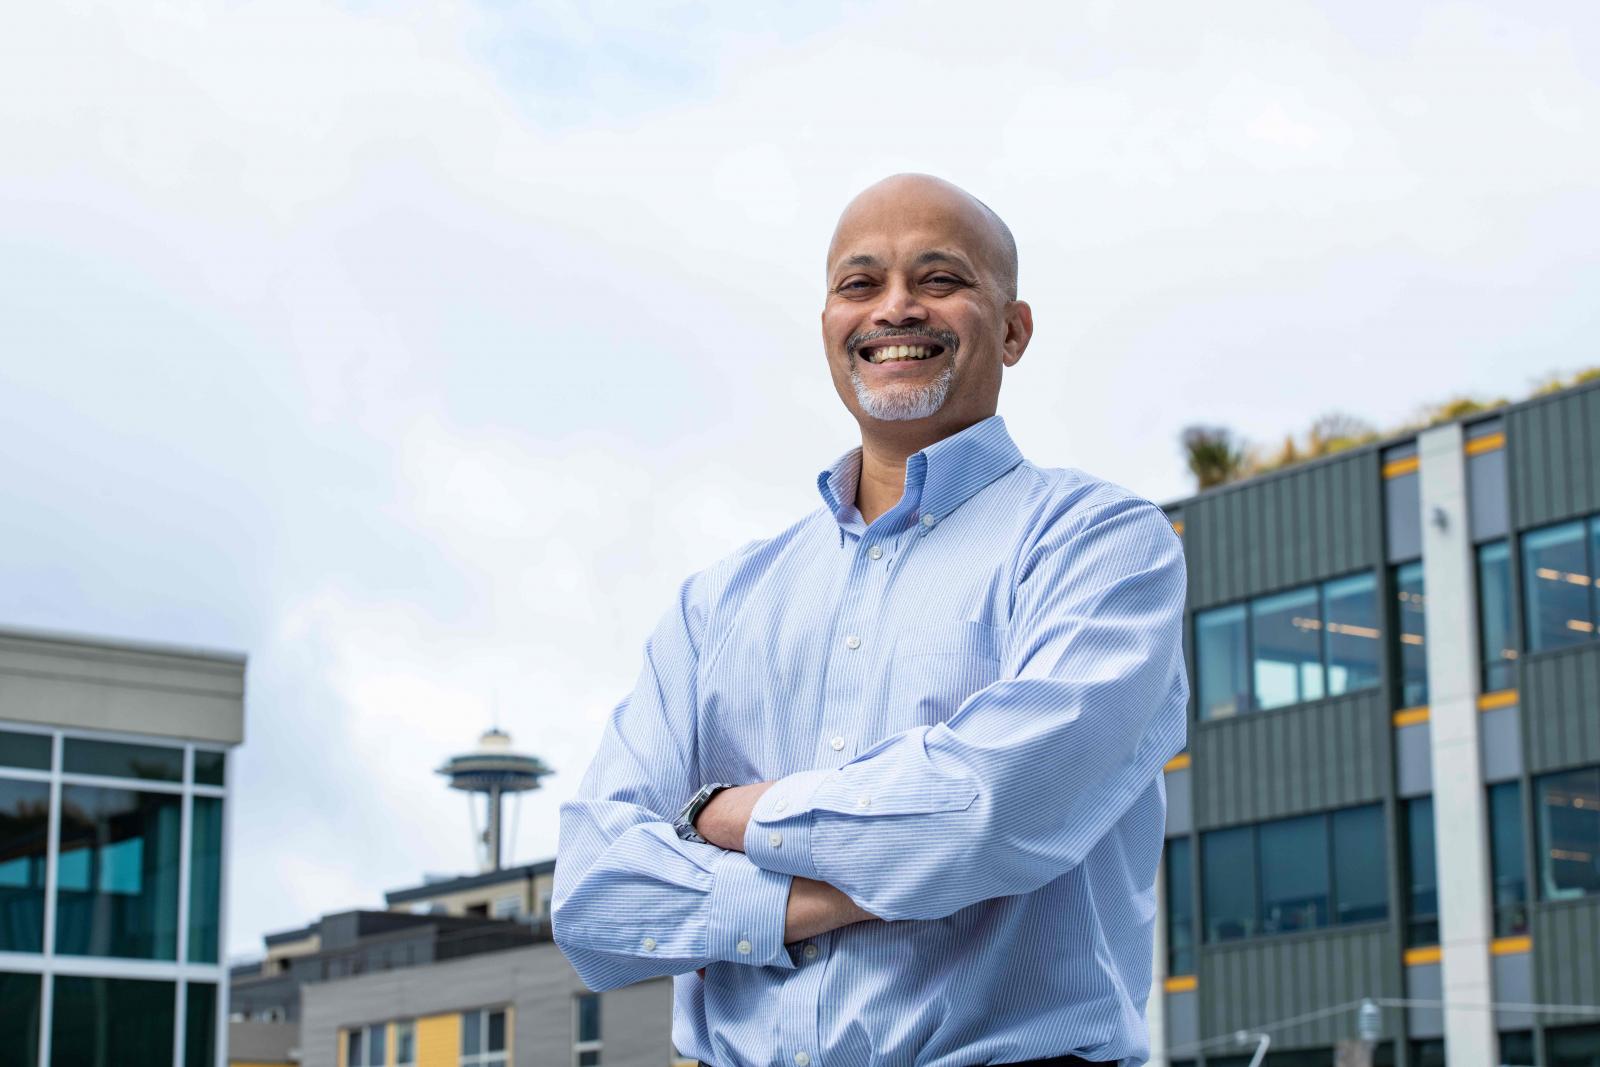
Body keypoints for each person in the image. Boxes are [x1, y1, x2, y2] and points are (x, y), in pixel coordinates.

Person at [552, 174, 1188, 1067]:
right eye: (860, 285)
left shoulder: (1098, 545)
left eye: (940, 279)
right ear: (827, 325)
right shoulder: (718, 606)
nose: (896, 308)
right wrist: (871, 883)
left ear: (1013, 329)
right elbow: (593, 899)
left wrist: (724, 817)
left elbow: (987, 809)